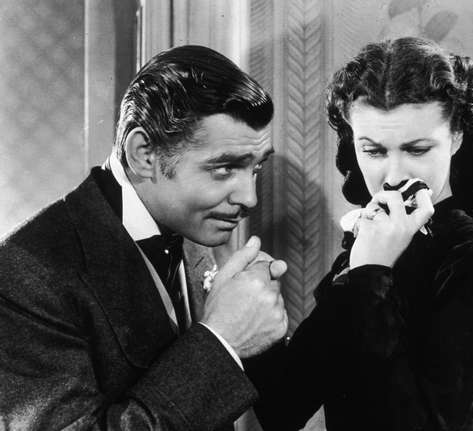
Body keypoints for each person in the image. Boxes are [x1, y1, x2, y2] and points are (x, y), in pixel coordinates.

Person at [0, 45, 289, 430]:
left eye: (256, 168)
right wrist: (222, 340)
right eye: (224, 168)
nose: (249, 198)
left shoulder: (190, 228)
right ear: (144, 154)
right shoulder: (25, 273)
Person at [252, 37, 473, 431]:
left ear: (457, 136)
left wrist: (370, 274)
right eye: (374, 151)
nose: (393, 177)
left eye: (417, 149)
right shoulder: (367, 245)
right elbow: (282, 408)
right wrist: (259, 321)